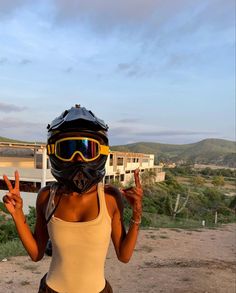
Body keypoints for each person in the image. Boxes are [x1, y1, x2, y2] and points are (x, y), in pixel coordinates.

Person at [2, 104, 143, 293]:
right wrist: (17, 214)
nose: (78, 158)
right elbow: (36, 254)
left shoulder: (109, 197)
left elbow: (124, 256)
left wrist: (137, 213)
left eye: (87, 150)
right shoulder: (47, 196)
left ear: (101, 152)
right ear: (53, 152)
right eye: (68, 149)